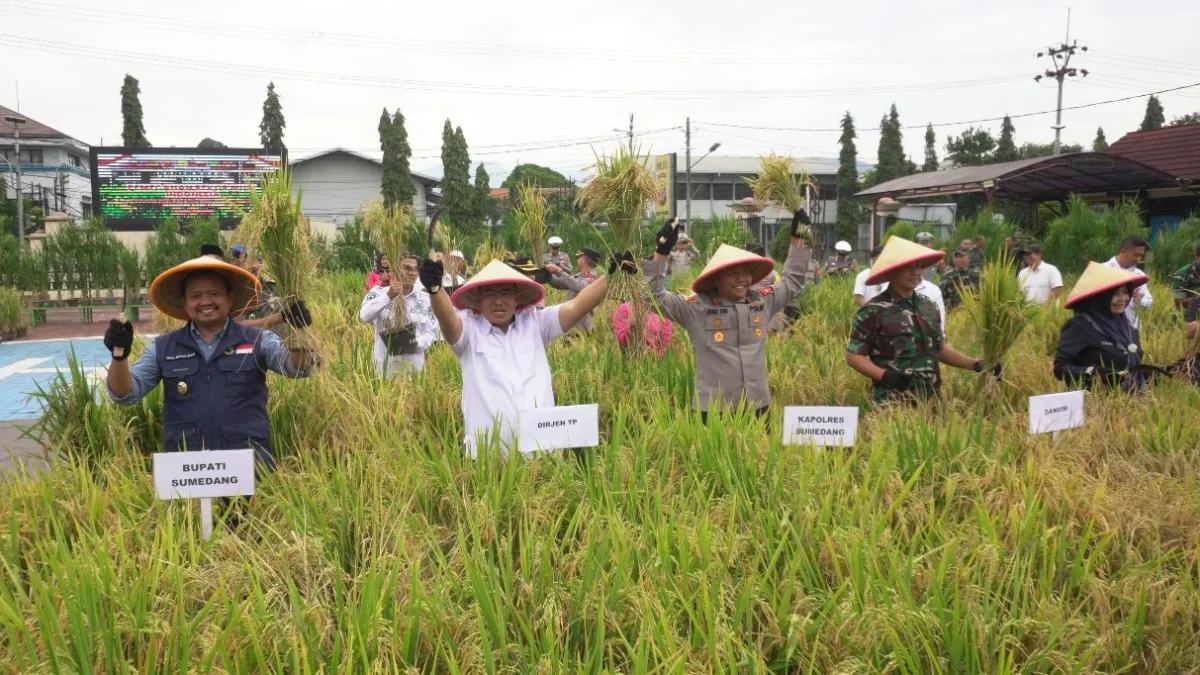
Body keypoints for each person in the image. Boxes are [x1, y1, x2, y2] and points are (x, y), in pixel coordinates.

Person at [104, 253, 316, 469]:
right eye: (195, 296)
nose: (205, 301)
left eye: (214, 293)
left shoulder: (259, 340)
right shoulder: (163, 348)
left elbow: (296, 368)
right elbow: (125, 394)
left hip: (249, 469)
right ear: (184, 303)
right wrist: (119, 355)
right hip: (187, 474)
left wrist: (299, 330)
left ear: (230, 298)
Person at [419, 254, 614, 456]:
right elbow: (447, 318)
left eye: (505, 293)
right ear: (478, 298)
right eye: (489, 294)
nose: (498, 301)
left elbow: (578, 304)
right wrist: (436, 289)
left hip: (542, 455)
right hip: (488, 459)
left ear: (517, 297)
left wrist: (612, 275)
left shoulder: (536, 323)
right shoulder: (468, 332)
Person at [646, 212, 812, 421]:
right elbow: (653, 297)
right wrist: (661, 252)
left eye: (746, 272)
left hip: (758, 406)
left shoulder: (762, 301)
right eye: (733, 274)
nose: (742, 279)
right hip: (714, 411)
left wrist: (798, 240)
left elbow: (793, 282)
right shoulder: (696, 307)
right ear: (716, 279)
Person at [846, 237, 997, 404]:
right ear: (892, 271)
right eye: (907, 267)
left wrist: (975, 364)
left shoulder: (929, 306)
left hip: (931, 401)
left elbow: (938, 348)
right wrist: (885, 376)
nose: (915, 272)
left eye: (918, 266)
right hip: (892, 403)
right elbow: (853, 356)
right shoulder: (874, 310)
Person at [1053, 262, 1150, 393]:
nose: (1122, 299)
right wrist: (1093, 372)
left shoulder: (1130, 330)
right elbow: (1060, 368)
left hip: (1130, 404)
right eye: (1115, 294)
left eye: (1125, 292)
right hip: (1093, 405)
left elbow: (1131, 367)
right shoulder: (1080, 326)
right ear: (1100, 298)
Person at [359, 254, 437, 375]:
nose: (411, 272)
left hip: (414, 372)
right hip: (385, 372)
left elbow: (431, 332)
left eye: (414, 269)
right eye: (406, 268)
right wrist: (389, 296)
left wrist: (413, 343)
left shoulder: (425, 300)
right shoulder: (378, 292)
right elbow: (364, 316)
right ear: (395, 269)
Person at [228, 244, 286, 329]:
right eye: (240, 262)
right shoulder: (227, 299)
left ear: (260, 263)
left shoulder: (277, 291)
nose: (246, 267)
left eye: (250, 260)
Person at [546, 247, 601, 332]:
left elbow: (578, 286)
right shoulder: (579, 275)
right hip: (572, 325)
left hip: (582, 326)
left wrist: (559, 271)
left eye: (579, 257)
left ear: (584, 259)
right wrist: (547, 276)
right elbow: (561, 284)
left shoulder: (592, 277)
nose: (577, 259)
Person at [1105, 236, 1152, 329]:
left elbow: (1148, 303)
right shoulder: (1102, 270)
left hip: (1132, 330)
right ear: (1123, 251)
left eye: (1141, 256)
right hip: (1106, 328)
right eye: (1136, 255)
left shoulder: (1139, 275)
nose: (1138, 259)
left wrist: (1139, 300)